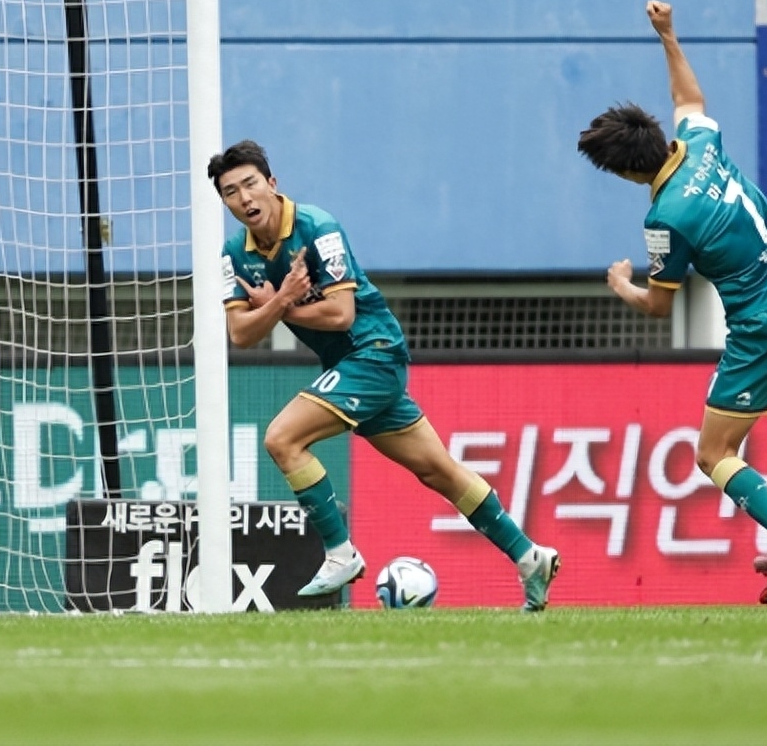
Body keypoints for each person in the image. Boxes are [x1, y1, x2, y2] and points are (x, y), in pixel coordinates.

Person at [210, 140, 560, 611]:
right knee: (439, 471)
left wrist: (278, 304)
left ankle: (340, 553)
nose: (244, 198)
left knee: (282, 439)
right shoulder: (234, 253)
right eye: (231, 192)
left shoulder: (318, 228)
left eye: (250, 184)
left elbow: (340, 314)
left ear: (272, 184)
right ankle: (530, 557)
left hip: (373, 353)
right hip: (347, 366)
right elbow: (241, 333)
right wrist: (281, 301)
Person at [576, 0, 767, 605]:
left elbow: (660, 307)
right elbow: (689, 98)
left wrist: (622, 285)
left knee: (712, 452)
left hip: (762, 325)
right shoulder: (699, 143)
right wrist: (667, 34)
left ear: (626, 173)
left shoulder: (666, 218)